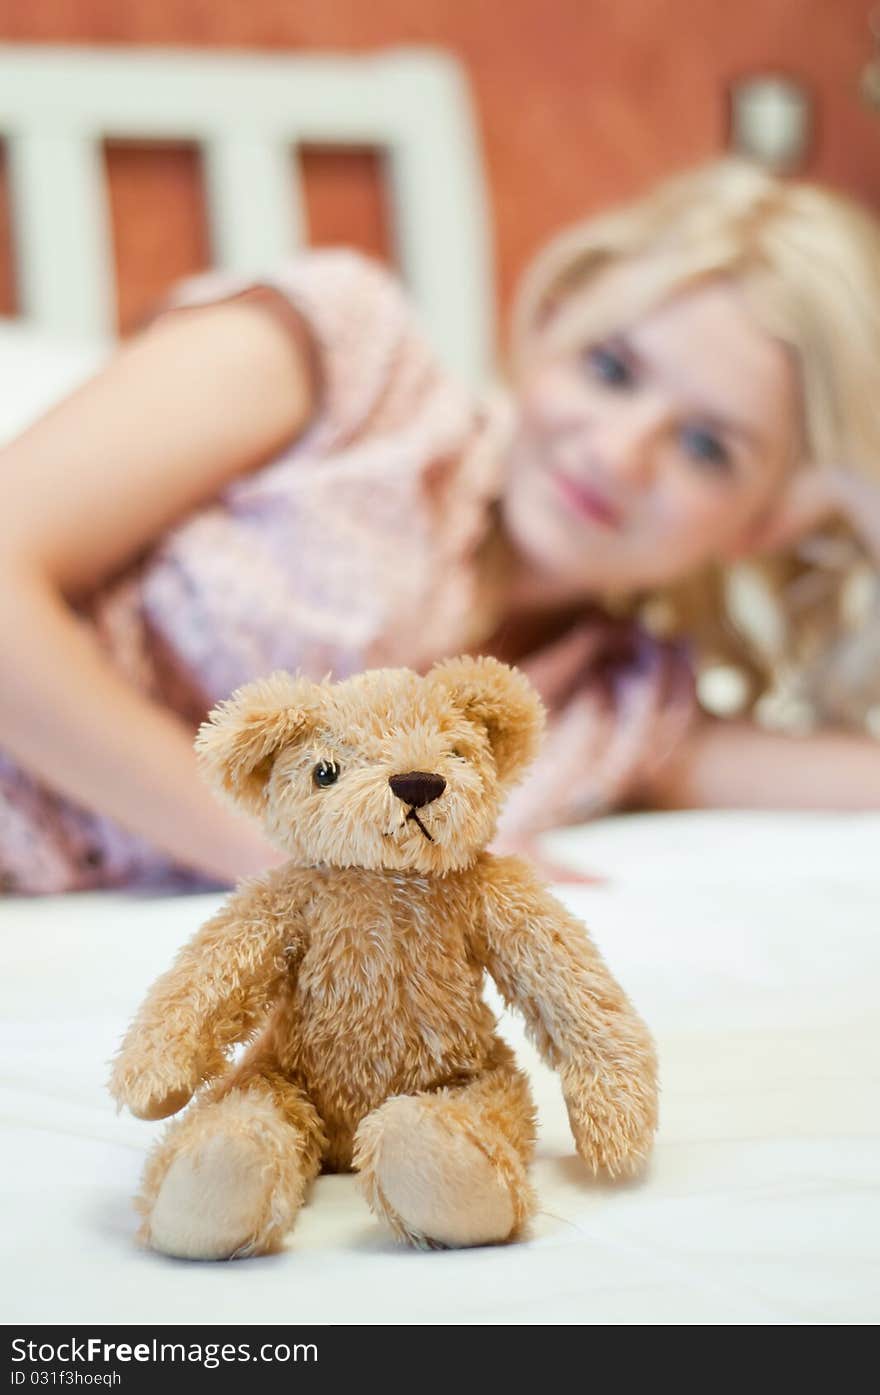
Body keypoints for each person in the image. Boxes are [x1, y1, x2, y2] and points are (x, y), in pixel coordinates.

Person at [1, 157, 879, 895]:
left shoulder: (624, 711)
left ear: (767, 521)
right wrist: (299, 842)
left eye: (704, 447)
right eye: (609, 367)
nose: (617, 453)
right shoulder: (346, 363)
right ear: (550, 317)